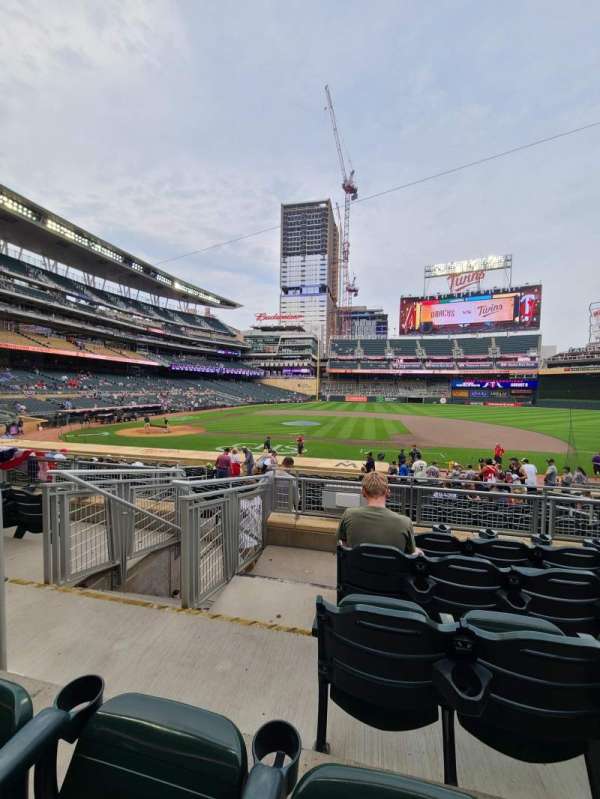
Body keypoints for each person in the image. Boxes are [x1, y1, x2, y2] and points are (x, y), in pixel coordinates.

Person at [338, 472, 419, 552]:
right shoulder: (405, 522)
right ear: (387, 492)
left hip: (356, 561)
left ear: (363, 492)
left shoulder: (349, 515)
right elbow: (411, 553)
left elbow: (341, 544)